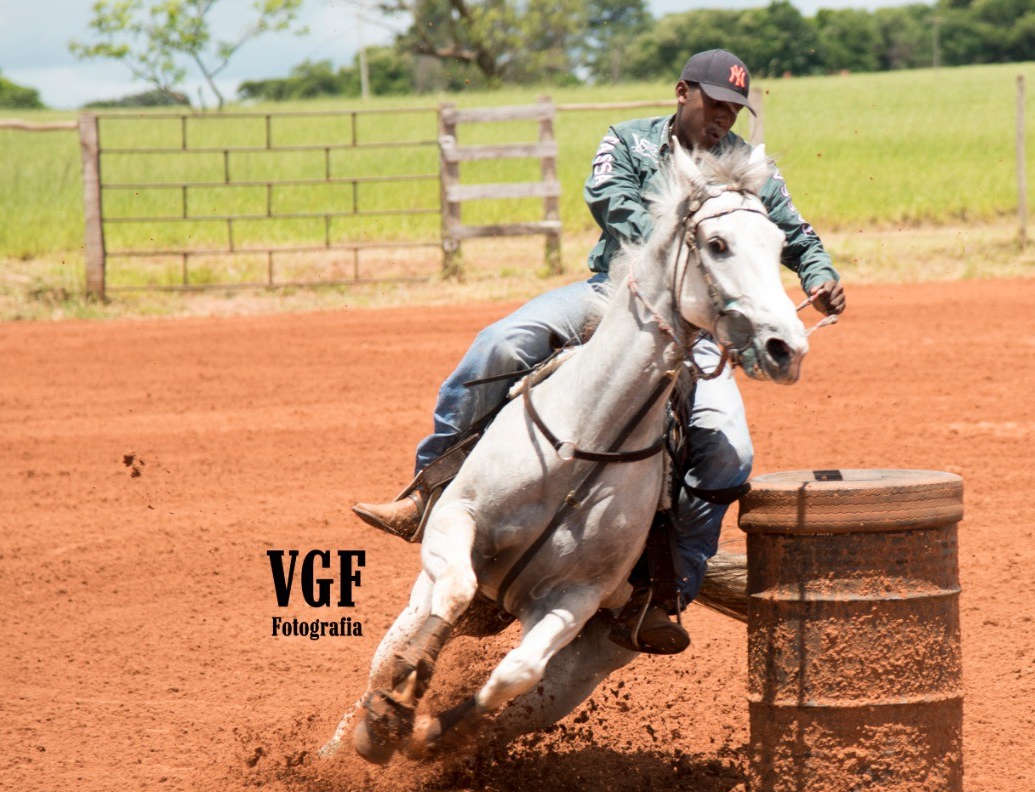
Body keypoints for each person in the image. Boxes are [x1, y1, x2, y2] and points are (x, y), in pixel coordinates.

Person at [354, 48, 845, 653]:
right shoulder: (630, 143)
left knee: (728, 455)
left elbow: (791, 231)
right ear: (681, 91)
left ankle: (664, 594)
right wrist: (672, 249)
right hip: (611, 297)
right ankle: (428, 492)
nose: (723, 119)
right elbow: (608, 200)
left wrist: (818, 272)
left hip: (695, 325)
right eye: (714, 103)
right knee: (501, 342)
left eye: (733, 110)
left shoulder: (745, 166)